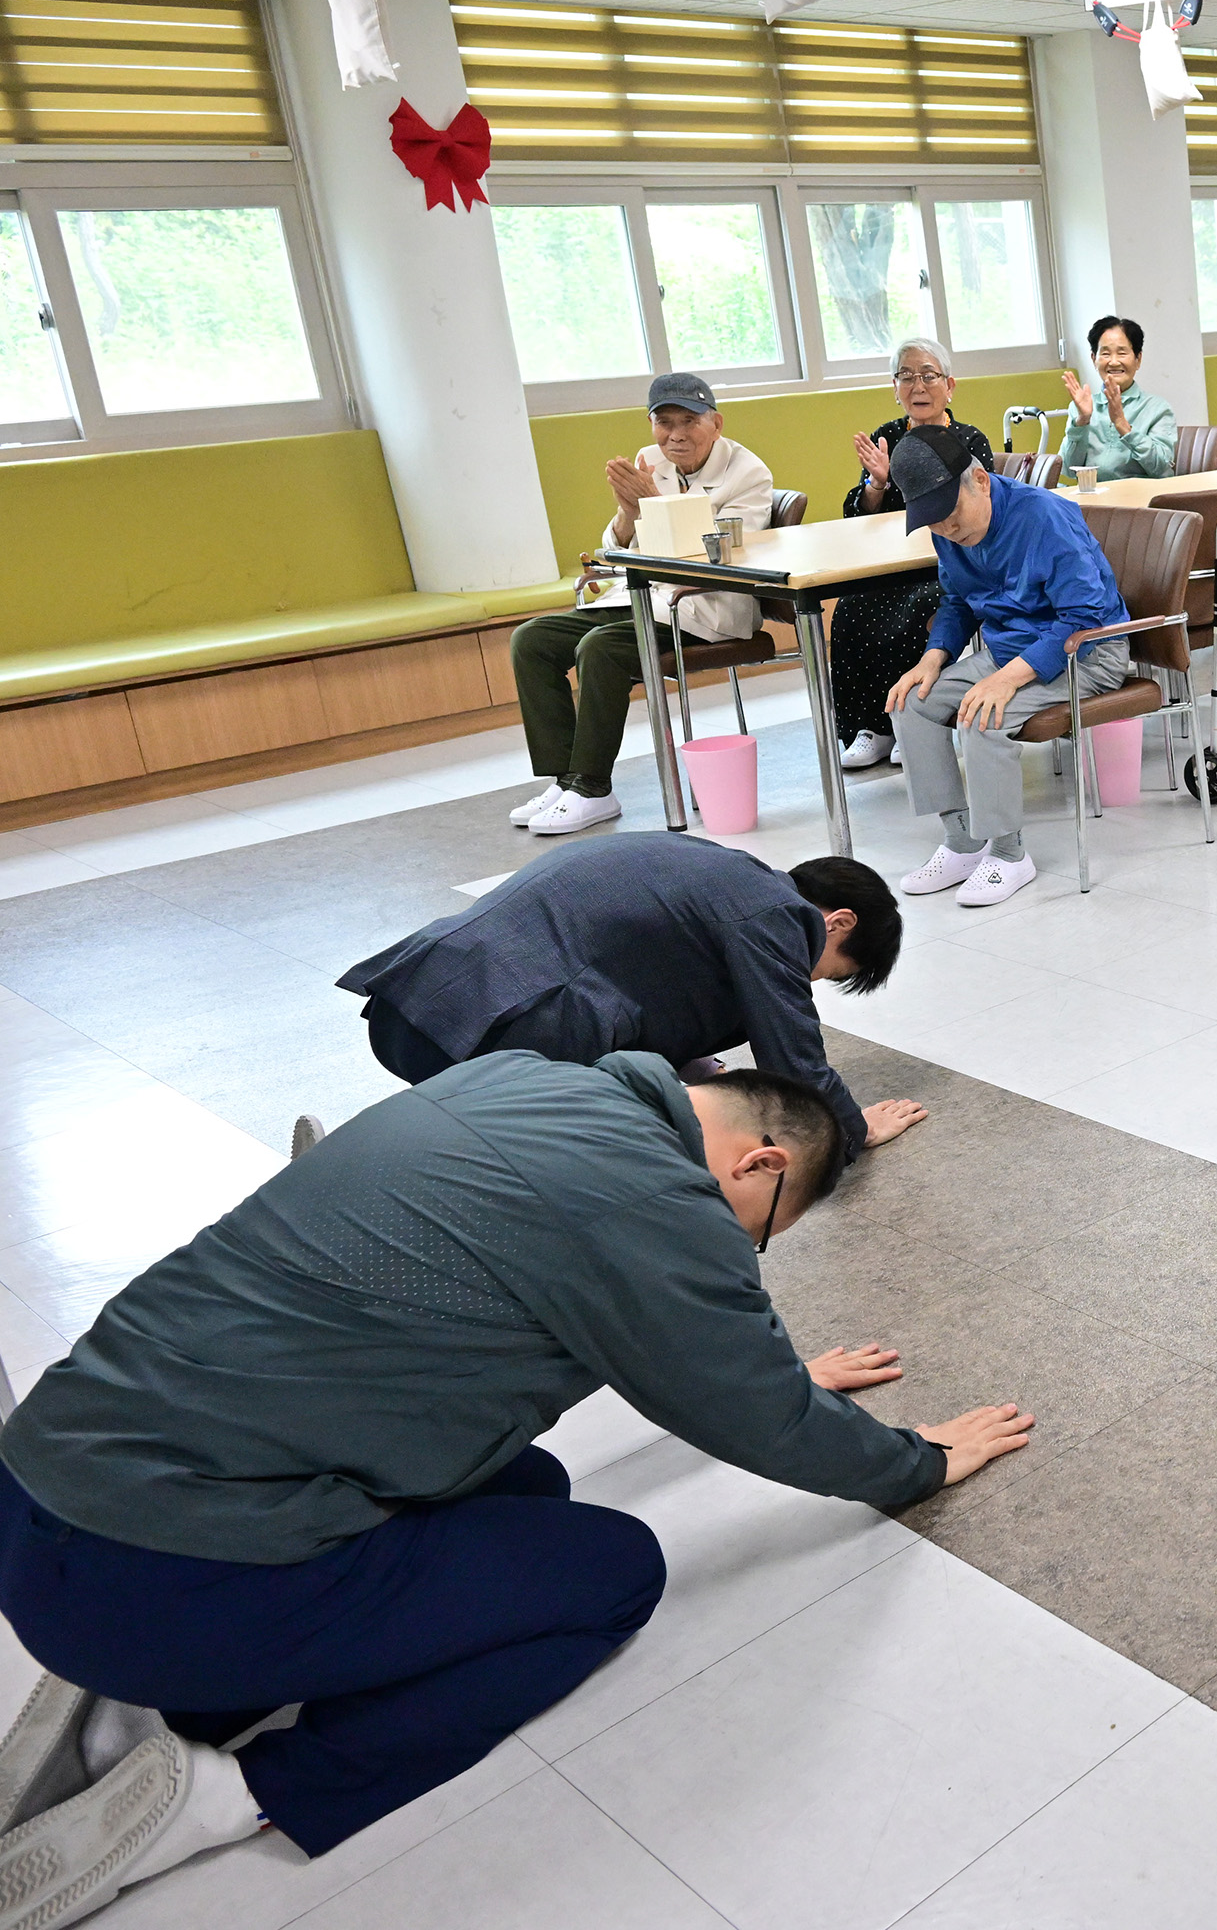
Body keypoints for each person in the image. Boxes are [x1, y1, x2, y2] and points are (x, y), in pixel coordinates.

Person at [0, 1054, 1032, 1927]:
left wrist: (762, 1368)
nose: (744, 1252)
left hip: (55, 1483)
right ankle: (234, 1792)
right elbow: (750, 1408)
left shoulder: (522, 1082)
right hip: (151, 1576)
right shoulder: (657, 1201)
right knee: (612, 1570)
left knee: (530, 1485)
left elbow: (662, 1338)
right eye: (760, 1231)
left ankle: (148, 1706)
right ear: (758, 1160)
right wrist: (921, 1459)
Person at [338, 833, 926, 1165]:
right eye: (822, 973)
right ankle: (365, 1173)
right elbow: (792, 1059)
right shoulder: (777, 916)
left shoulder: (714, 867)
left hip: (413, 1003)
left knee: (489, 1136)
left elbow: (642, 971)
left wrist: (687, 1062)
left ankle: (359, 1165)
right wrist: (851, 1132)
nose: (805, 981)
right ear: (839, 922)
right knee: (646, 1154)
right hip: (497, 1037)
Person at [509, 373, 773, 837]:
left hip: (705, 608)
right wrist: (629, 512)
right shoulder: (651, 461)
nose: (676, 434)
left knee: (601, 649)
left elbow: (720, 559)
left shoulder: (748, 474)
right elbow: (617, 545)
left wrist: (654, 505)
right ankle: (567, 778)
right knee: (531, 640)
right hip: (646, 599)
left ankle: (593, 786)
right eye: (663, 421)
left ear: (716, 422)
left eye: (688, 421)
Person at [885, 425, 1134, 909]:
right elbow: (957, 601)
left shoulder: (1044, 516)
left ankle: (1008, 853)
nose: (946, 530)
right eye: (933, 522)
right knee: (911, 704)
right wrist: (933, 659)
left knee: (983, 716)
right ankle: (962, 842)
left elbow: (1081, 621)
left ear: (979, 480)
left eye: (950, 515)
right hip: (1011, 653)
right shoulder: (948, 531)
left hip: (1090, 651)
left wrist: (1006, 679)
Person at [826, 339, 993, 772]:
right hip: (894, 560)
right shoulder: (889, 436)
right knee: (850, 609)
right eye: (906, 375)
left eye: (928, 374)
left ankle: (910, 722)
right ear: (895, 386)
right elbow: (857, 514)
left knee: (914, 611)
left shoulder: (969, 439)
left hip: (948, 560)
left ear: (949, 385)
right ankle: (870, 727)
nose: (917, 385)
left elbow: (977, 505)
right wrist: (878, 483)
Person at [1059, 313, 1177, 482]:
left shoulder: (1157, 408)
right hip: (1094, 498)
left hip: (1140, 500)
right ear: (1094, 359)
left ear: (1138, 359)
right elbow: (1069, 469)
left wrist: (1122, 424)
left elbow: (1162, 469)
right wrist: (1082, 421)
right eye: (1105, 354)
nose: (1114, 362)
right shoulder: (1082, 406)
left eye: (1122, 353)